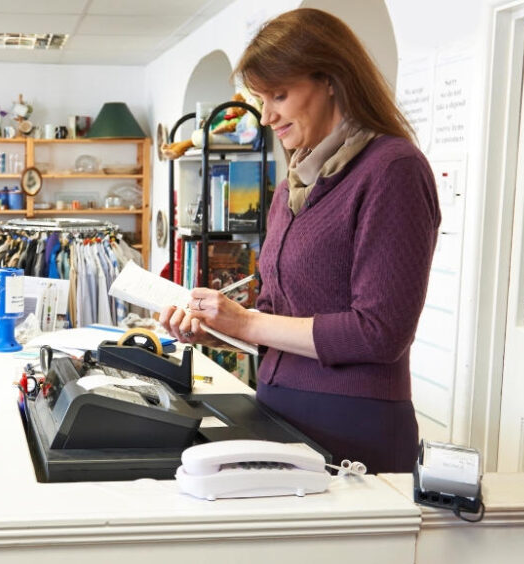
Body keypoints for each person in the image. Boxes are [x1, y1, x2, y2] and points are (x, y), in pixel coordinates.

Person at [159, 8, 440, 474]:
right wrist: (220, 330)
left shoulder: (393, 170)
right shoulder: (295, 183)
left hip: (354, 429)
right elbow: (279, 321)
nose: (267, 116)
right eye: (261, 98)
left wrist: (247, 323)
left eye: (279, 95)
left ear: (331, 79)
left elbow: (380, 333)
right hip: (279, 414)